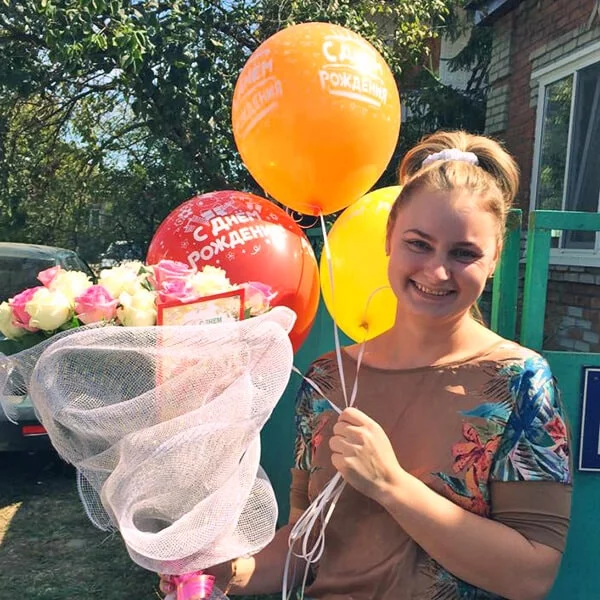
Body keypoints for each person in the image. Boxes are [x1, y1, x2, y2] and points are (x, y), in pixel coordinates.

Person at [160, 130, 572, 599]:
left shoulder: (519, 383)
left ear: (495, 257)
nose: (437, 271)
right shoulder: (325, 380)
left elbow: (531, 575)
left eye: (464, 253)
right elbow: (305, 547)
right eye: (419, 244)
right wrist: (228, 572)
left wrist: (391, 484)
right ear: (389, 237)